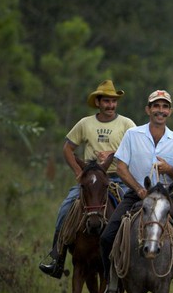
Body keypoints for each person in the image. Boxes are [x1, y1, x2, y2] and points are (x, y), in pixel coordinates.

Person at [99, 89, 173, 293]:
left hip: (165, 198)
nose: (160, 111)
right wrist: (138, 189)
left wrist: (169, 169)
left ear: (169, 112)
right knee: (107, 237)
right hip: (136, 196)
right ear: (148, 110)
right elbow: (121, 167)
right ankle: (112, 287)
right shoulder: (133, 135)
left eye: (164, 107)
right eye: (156, 106)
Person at [39, 80, 135, 278]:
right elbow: (67, 148)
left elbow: (137, 148)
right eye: (106, 101)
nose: (111, 105)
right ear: (98, 102)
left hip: (118, 178)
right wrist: (78, 172)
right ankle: (57, 257)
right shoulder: (85, 123)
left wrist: (114, 153)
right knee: (65, 208)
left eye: (113, 101)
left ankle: (134, 258)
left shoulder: (127, 124)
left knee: (135, 211)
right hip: (90, 181)